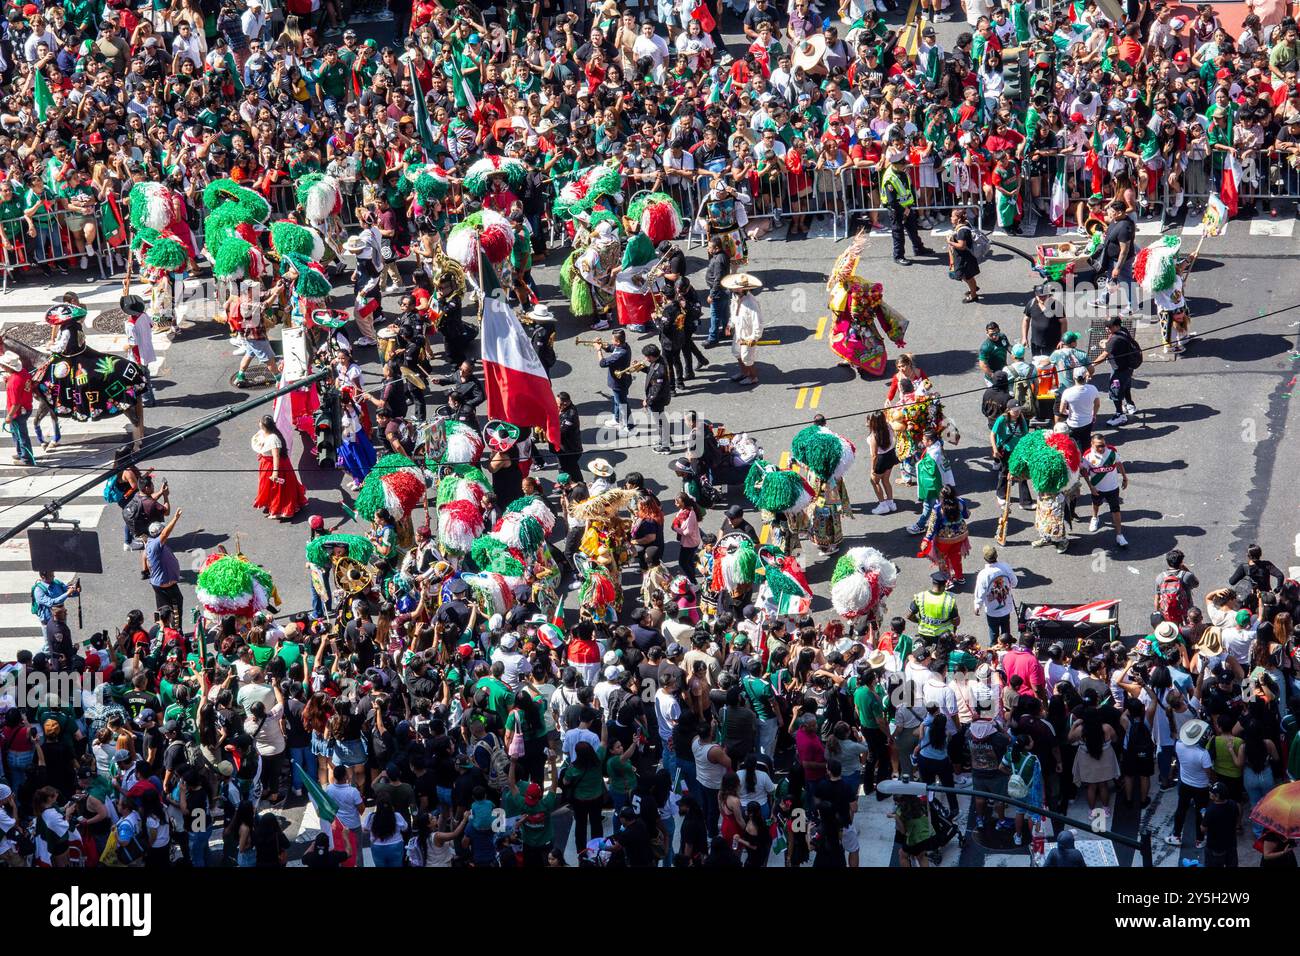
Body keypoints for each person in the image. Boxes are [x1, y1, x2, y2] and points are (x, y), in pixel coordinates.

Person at [252, 416, 307, 521]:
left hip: (275, 467)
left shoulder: (274, 439)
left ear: (265, 426)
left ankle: (279, 510)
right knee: (269, 488)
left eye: (261, 423)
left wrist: (275, 473)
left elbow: (276, 457)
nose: (259, 424)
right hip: (267, 465)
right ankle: (271, 505)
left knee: (278, 490)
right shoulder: (264, 433)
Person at [1081, 432, 1129, 548]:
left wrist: (1124, 477)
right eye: (1098, 446)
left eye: (1103, 445)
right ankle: (1095, 517)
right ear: (1092, 444)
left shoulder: (1112, 452)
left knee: (1116, 510)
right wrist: (1090, 487)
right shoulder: (1087, 456)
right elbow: (1084, 472)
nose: (1102, 448)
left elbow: (1118, 463)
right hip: (1097, 488)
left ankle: (1119, 535)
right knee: (1096, 503)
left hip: (1113, 488)